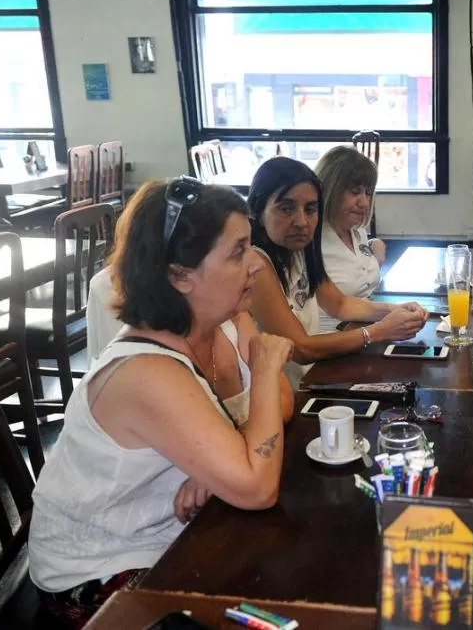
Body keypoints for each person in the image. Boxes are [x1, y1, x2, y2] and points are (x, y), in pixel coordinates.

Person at [29, 178, 295, 628]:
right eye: (237, 251)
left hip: (170, 536)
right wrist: (266, 372)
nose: (255, 265)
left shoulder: (222, 325)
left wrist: (213, 462)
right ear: (179, 275)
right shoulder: (146, 371)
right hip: (101, 571)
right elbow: (256, 489)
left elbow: (279, 412)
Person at [247, 157, 427, 387]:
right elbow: (300, 348)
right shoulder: (257, 265)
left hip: (315, 373)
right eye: (286, 208)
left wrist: (395, 310)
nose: (301, 221)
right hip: (285, 391)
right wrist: (379, 331)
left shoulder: (301, 248)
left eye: (310, 209)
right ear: (257, 210)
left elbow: (339, 304)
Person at [315, 146, 387, 333]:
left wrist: (376, 249)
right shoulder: (311, 240)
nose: (363, 202)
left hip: (364, 330)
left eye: (368, 193)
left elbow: (358, 268)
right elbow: (340, 305)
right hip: (331, 341)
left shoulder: (357, 231)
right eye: (355, 192)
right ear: (330, 190)